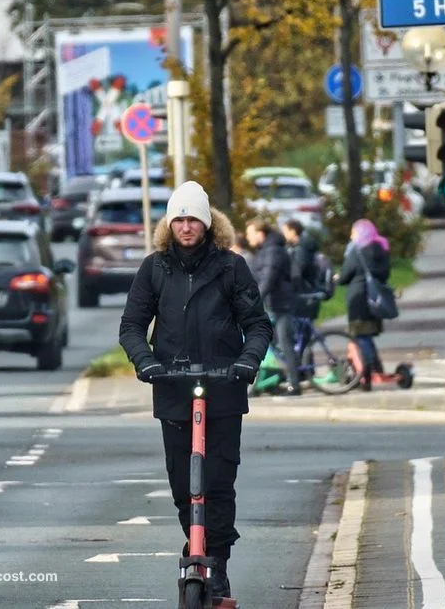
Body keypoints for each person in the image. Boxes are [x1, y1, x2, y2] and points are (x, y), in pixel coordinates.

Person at [119, 181, 273, 599]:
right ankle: (196, 545)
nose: (186, 227)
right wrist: (146, 362)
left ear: (207, 223)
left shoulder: (230, 267)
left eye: (193, 219)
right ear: (170, 224)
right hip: (172, 389)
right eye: (179, 219)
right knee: (182, 484)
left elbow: (258, 325)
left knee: (219, 481)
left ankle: (216, 562)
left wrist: (246, 362)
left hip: (223, 389)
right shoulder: (154, 269)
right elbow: (132, 326)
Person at [245, 219, 302, 395]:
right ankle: (274, 379)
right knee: (270, 344)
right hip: (273, 304)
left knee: (285, 343)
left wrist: (254, 301)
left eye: (250, 234)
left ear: (260, 234)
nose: (248, 238)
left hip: (281, 304)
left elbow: (268, 279)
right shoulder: (264, 251)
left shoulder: (273, 251)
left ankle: (295, 384)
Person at [337, 219, 392, 390]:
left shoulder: (356, 251)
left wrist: (338, 278)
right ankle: (377, 369)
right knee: (367, 337)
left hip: (359, 299)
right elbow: (385, 274)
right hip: (374, 299)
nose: (351, 235)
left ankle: (365, 375)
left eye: (353, 232)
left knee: (361, 338)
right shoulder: (380, 249)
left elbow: (345, 275)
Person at [282, 219, 322, 320]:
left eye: (285, 231)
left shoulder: (301, 250)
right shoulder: (297, 248)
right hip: (306, 294)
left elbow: (296, 272)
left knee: (300, 332)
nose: (283, 234)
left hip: (303, 295)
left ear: (293, 232)